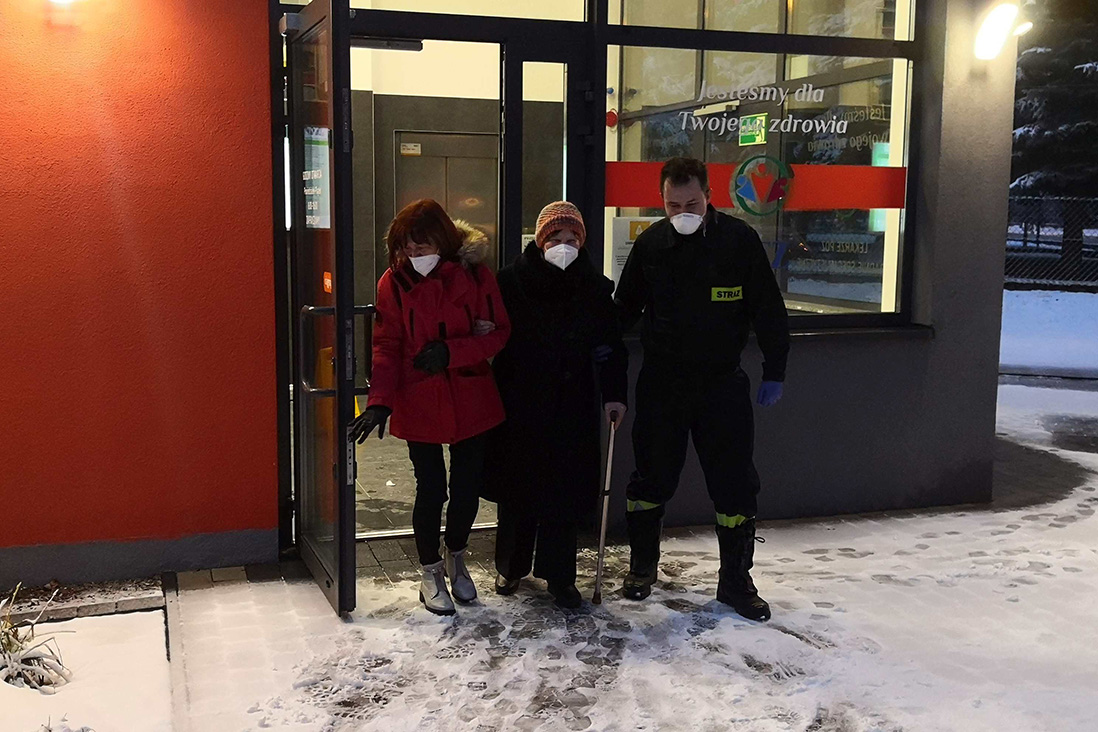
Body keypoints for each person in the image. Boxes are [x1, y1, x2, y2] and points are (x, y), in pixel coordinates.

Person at [614, 157, 790, 622]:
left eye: (691, 204)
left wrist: (775, 369)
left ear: (709, 197)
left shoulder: (738, 241)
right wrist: (590, 343)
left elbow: (768, 309)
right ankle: (642, 567)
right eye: (673, 205)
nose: (682, 213)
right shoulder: (651, 244)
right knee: (651, 479)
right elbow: (623, 309)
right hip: (663, 384)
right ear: (661, 201)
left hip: (721, 385)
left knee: (734, 484)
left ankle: (736, 581)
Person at [351, 199, 511, 617]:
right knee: (431, 489)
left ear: (443, 240)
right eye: (407, 247)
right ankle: (430, 572)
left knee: (466, 488)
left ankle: (457, 556)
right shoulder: (393, 283)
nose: (414, 255)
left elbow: (498, 333)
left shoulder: (475, 275)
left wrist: (451, 352)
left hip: (470, 396)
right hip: (419, 396)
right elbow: (387, 345)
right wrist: (379, 402)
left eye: (422, 246)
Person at [482, 201, 628, 609]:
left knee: (564, 492)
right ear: (540, 240)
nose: (564, 245)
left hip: (572, 403)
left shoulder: (595, 288)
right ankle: (511, 566)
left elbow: (611, 346)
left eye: (572, 238)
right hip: (520, 401)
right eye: (555, 238)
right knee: (518, 489)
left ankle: (560, 576)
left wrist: (615, 395)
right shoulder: (509, 283)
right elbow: (492, 336)